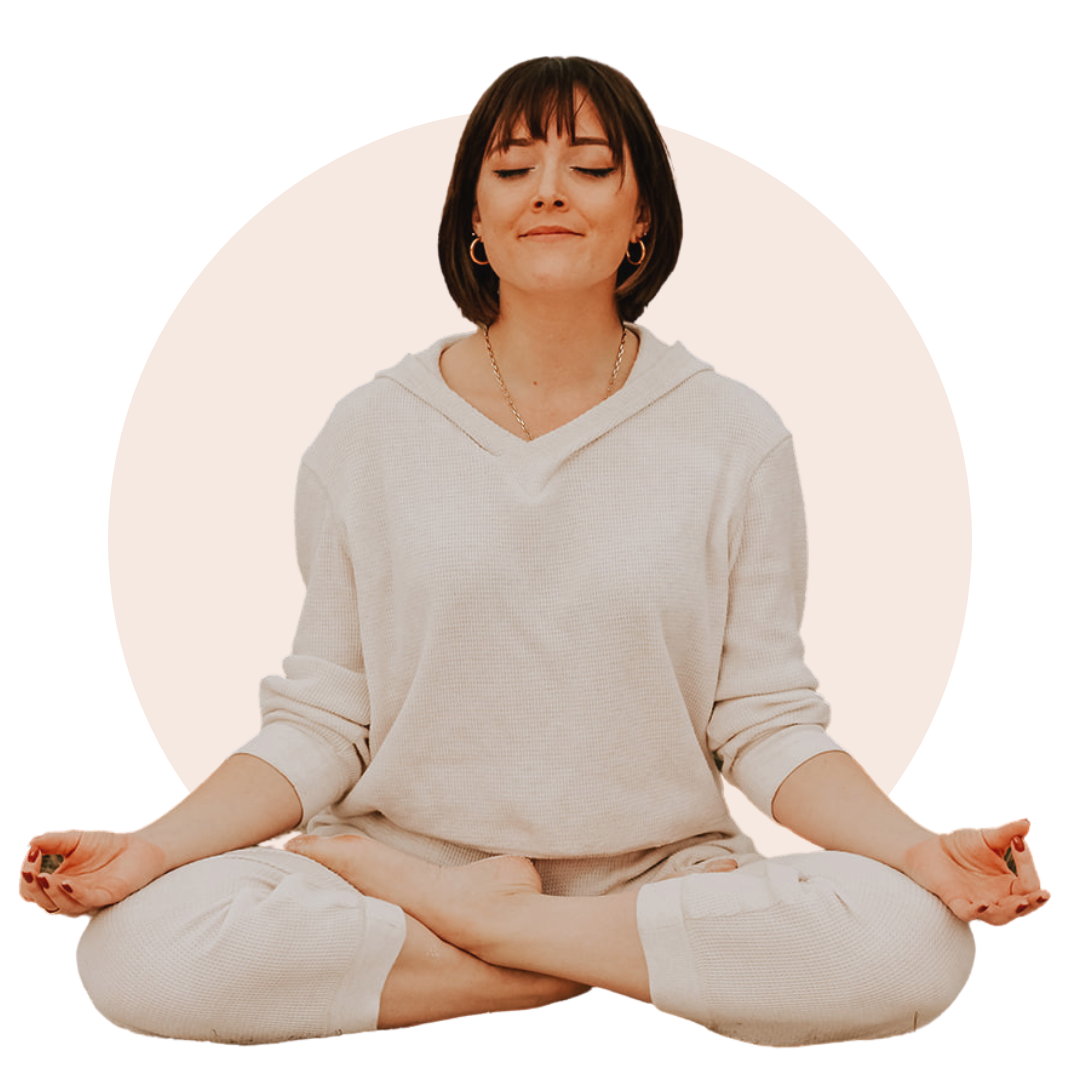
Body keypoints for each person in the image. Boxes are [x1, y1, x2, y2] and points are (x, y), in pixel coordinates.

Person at [24, 56, 1050, 1048]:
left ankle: (504, 937)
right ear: (473, 219)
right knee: (138, 952)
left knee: (916, 945)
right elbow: (324, 719)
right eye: (513, 168)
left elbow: (764, 720)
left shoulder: (734, 436)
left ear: (643, 215)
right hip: (393, 871)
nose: (548, 191)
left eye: (591, 166)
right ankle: (576, 971)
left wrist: (920, 850)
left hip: (654, 880)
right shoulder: (369, 434)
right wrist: (151, 850)